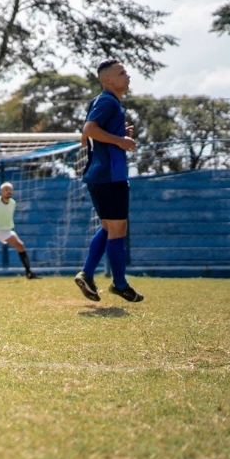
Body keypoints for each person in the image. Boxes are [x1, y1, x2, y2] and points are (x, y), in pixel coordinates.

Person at [75, 59, 144, 303]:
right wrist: (119, 141)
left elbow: (86, 139)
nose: (127, 75)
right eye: (122, 72)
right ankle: (120, 284)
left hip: (99, 175)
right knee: (117, 228)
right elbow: (89, 129)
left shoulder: (100, 101)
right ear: (108, 80)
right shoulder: (107, 101)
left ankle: (87, 273)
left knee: (108, 227)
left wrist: (119, 135)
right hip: (109, 176)